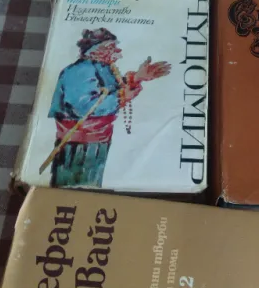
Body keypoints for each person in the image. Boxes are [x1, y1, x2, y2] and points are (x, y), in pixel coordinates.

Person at [46, 28, 171, 188]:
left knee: (90, 183)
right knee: (76, 185)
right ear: (96, 50)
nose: (117, 51)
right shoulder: (80, 70)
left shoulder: (102, 68)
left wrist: (136, 78)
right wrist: (122, 95)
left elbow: (111, 89)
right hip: (77, 144)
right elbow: (85, 107)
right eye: (111, 47)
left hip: (98, 141)